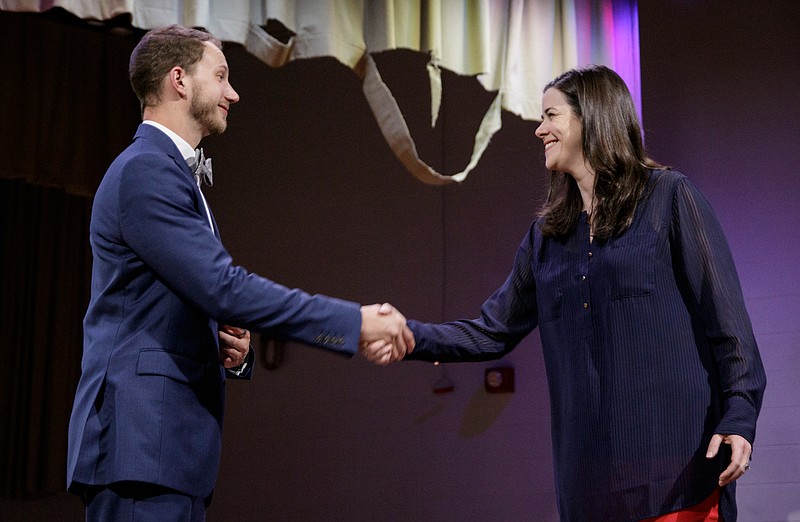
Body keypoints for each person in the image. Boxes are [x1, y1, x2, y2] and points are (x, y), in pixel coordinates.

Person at [375, 65, 766, 521]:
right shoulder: (546, 238)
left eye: (551, 115)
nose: (540, 129)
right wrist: (409, 336)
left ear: (592, 118)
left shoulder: (670, 199)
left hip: (678, 481)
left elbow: (730, 327)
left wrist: (739, 416)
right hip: (589, 492)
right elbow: (490, 331)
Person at [67, 24, 413, 521]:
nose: (234, 91)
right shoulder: (147, 169)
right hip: (139, 449)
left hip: (167, 452)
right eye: (222, 75)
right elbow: (223, 287)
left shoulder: (165, 171)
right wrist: (351, 324)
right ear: (179, 80)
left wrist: (230, 345)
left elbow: (184, 300)